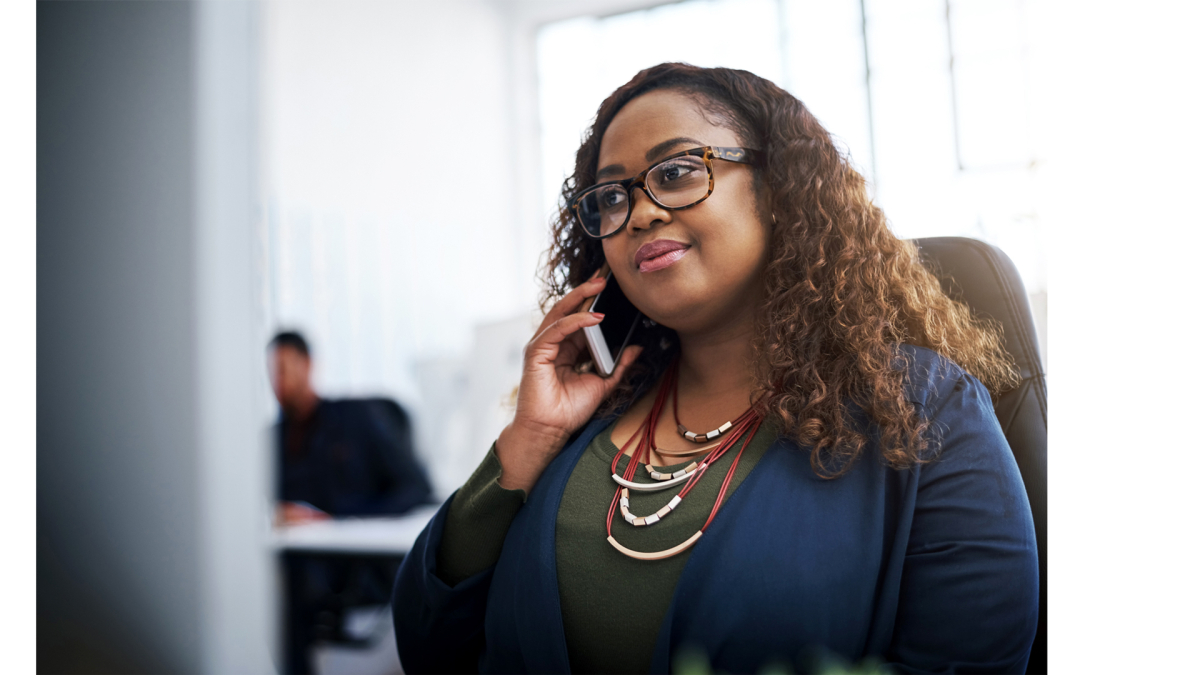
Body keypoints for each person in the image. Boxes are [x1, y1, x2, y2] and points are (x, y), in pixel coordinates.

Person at [392, 63, 1038, 674]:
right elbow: (429, 643)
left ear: (780, 190)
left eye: (676, 172)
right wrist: (529, 439)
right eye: (611, 196)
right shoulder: (591, 417)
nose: (639, 212)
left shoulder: (919, 401)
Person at [269, 330, 432, 521]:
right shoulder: (271, 439)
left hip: (351, 542)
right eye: (270, 373)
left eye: (282, 369)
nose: (276, 382)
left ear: (307, 364)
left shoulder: (356, 419)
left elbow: (416, 488)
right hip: (285, 545)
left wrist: (330, 518)